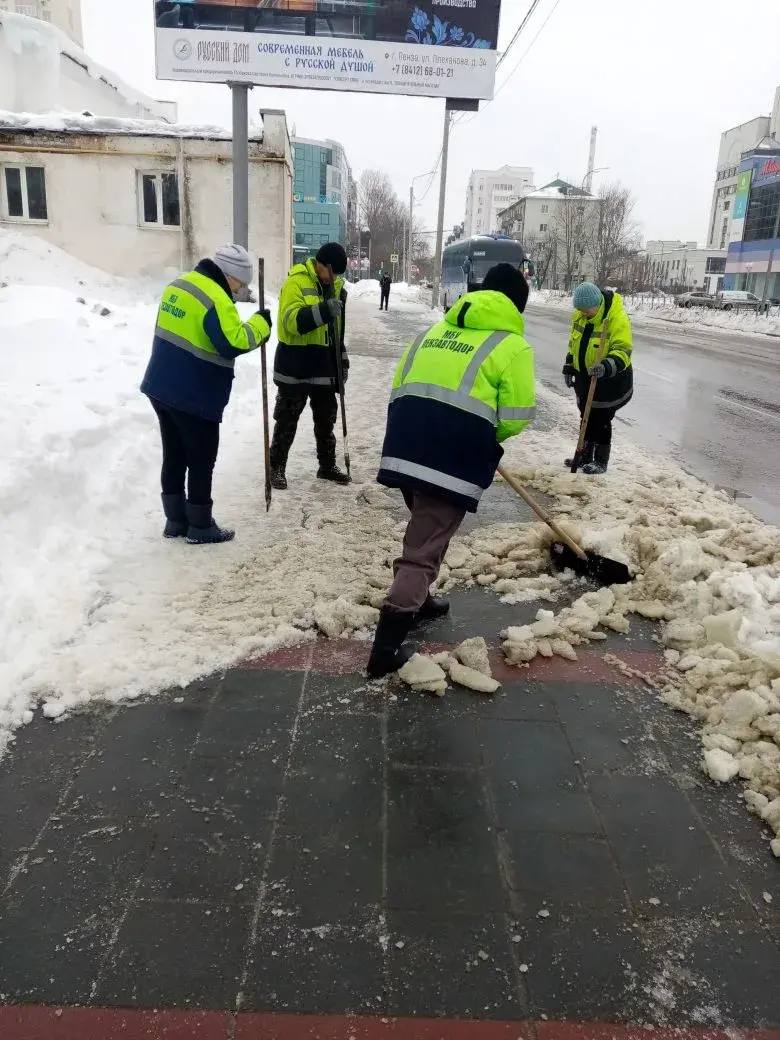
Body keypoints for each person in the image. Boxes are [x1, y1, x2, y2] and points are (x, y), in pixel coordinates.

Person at [367, 263, 536, 678]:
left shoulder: (434, 331)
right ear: (518, 304)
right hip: (450, 456)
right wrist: (482, 435)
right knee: (423, 548)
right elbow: (515, 416)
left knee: (427, 526)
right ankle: (385, 648)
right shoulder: (512, 346)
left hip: (405, 445)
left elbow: (400, 384)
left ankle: (419, 598)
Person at [141, 244, 272, 544]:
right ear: (230, 276)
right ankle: (200, 525)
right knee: (201, 458)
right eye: (240, 283)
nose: (240, 290)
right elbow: (231, 341)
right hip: (193, 394)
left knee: (174, 453)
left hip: (161, 386)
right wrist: (260, 325)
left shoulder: (180, 285)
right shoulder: (215, 298)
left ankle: (175, 521)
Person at [269, 242, 351, 489]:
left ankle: (326, 466)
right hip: (296, 364)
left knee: (326, 419)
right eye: (332, 272)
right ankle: (276, 467)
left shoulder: (336, 288)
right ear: (322, 264)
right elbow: (291, 322)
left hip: (324, 366)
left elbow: (336, 331)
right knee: (287, 418)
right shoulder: (296, 282)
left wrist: (342, 358)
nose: (333, 278)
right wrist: (324, 310)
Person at [562, 282, 633, 475]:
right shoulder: (580, 315)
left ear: (597, 304)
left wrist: (606, 366)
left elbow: (623, 349)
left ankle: (601, 460)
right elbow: (573, 344)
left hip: (610, 379)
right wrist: (569, 367)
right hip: (585, 377)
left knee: (600, 418)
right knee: (586, 415)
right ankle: (584, 454)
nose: (583, 314)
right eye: (580, 310)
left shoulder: (616, 317)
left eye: (587, 310)